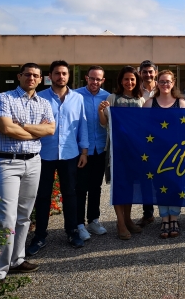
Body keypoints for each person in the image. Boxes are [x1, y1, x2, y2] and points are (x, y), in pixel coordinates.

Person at [0, 63, 55, 278]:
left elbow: (51, 129)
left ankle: (17, 260)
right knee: (6, 218)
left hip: (33, 163)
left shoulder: (44, 103)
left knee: (24, 216)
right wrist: (36, 131)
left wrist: (23, 126)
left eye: (36, 75)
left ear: (40, 79)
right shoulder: (4, 98)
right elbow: (6, 128)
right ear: (19, 76)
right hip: (7, 163)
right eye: (27, 74)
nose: (31, 78)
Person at [27, 60, 89, 256]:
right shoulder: (40, 97)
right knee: (43, 196)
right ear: (50, 76)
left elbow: (82, 125)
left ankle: (71, 231)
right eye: (57, 73)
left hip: (70, 154)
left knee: (70, 194)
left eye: (64, 73)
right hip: (44, 154)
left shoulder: (78, 98)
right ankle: (40, 235)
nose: (60, 77)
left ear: (68, 76)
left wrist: (84, 151)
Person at [98, 66, 146, 240]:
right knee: (119, 185)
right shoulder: (113, 98)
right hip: (116, 149)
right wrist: (100, 111)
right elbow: (104, 123)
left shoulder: (141, 100)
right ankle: (120, 222)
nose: (129, 82)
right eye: (126, 79)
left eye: (133, 79)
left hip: (134, 149)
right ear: (120, 81)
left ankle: (128, 219)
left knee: (130, 185)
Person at [143, 70, 185, 238]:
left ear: (173, 82)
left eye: (168, 81)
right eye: (161, 81)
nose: (165, 85)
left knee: (178, 185)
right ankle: (164, 218)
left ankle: (174, 217)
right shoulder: (149, 104)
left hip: (178, 154)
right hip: (157, 154)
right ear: (157, 82)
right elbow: (142, 129)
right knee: (160, 186)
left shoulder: (182, 104)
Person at [74, 66, 110, 240]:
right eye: (92, 78)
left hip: (101, 148)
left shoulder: (107, 97)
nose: (95, 82)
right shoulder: (76, 96)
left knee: (96, 187)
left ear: (103, 80)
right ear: (86, 78)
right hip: (82, 151)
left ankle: (93, 220)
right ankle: (79, 224)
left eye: (98, 79)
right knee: (80, 188)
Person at [136, 60, 158, 228]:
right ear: (140, 73)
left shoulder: (165, 87)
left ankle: (167, 213)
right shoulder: (135, 91)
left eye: (150, 71)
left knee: (164, 176)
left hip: (162, 141)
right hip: (142, 141)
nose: (148, 74)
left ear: (155, 73)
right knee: (146, 179)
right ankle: (148, 213)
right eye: (145, 72)